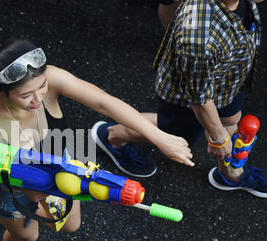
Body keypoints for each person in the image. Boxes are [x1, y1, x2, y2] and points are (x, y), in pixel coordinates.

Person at [0, 40, 193, 241]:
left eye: (42, 87)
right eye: (26, 95)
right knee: (27, 234)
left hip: (57, 166)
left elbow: (105, 103)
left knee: (71, 225)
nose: (38, 98)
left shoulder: (50, 79)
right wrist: (30, 189)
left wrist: (158, 137)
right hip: (9, 186)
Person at [92, 0, 267, 197]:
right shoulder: (198, 37)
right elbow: (199, 99)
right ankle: (112, 136)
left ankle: (231, 174)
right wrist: (218, 137)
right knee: (175, 135)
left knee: (231, 120)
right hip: (189, 94)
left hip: (229, 76)